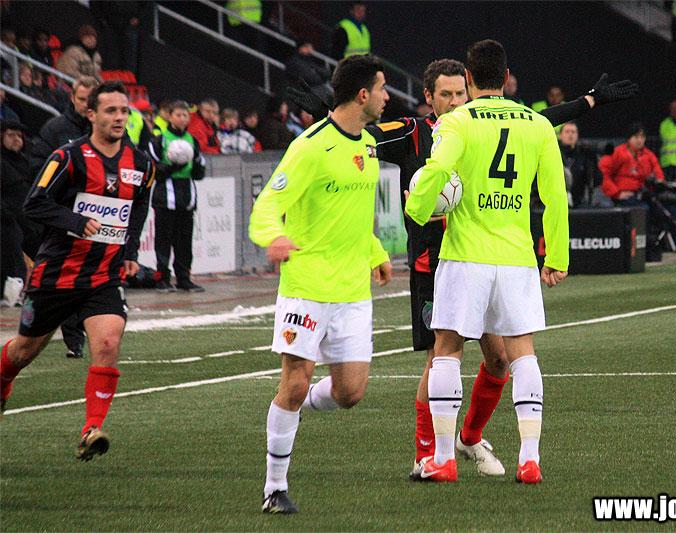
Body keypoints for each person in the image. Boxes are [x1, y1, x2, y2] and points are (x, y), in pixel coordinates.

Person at [289, 64, 637, 479]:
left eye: (460, 94)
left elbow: (538, 119)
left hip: (479, 259)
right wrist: (327, 114)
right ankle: (426, 455)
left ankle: (468, 438)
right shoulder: (412, 132)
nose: (455, 102)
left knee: (499, 360)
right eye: (445, 95)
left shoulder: (476, 125)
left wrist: (589, 101)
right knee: (439, 358)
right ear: (428, 97)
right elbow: (362, 136)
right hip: (433, 265)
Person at [405, 39, 569, 484]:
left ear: (469, 78)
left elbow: (437, 172)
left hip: (465, 255)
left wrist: (416, 208)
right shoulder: (537, 124)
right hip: (516, 257)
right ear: (507, 77)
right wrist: (556, 254)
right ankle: (529, 460)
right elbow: (554, 195)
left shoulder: (457, 121)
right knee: (522, 354)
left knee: (447, 350)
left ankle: (443, 459)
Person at [248, 54, 392, 514]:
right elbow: (266, 206)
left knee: (350, 393)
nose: (388, 96)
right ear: (363, 95)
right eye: (382, 88)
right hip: (307, 287)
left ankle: (294, 407)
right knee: (294, 382)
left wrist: (375, 252)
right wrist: (272, 237)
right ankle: (274, 488)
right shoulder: (309, 148)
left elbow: (354, 214)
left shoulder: (368, 146)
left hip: (352, 292)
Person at [0, 81, 154, 462]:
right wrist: (74, 220)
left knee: (108, 343)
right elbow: (34, 203)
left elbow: (138, 206)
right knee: (22, 352)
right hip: (57, 275)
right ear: (91, 114)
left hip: (103, 276)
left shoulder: (142, 164)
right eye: (111, 111)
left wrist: (129, 249)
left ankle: (91, 429)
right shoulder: (68, 157)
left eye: (124, 111)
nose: (119, 118)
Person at [29, 75, 100, 358]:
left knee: (95, 277)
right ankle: (72, 339)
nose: (86, 105)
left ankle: (91, 331)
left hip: (99, 217)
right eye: (82, 99)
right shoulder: (55, 129)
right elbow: (37, 166)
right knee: (65, 276)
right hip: (64, 216)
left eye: (91, 100)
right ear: (72, 98)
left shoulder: (107, 132)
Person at [600, 122, 676, 259]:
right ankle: (643, 250)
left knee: (671, 211)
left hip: (647, 195)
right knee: (643, 211)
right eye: (636, 137)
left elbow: (659, 176)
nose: (639, 140)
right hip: (627, 197)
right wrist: (617, 193)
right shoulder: (618, 153)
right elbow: (603, 173)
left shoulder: (649, 155)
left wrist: (658, 183)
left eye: (642, 137)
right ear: (629, 138)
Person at [147, 100, 207, 292]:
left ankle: (184, 278)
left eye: (185, 115)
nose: (182, 118)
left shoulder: (192, 141)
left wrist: (194, 164)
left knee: (184, 241)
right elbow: (154, 171)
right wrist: (174, 165)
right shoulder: (159, 140)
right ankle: (162, 278)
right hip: (165, 198)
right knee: (163, 240)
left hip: (186, 198)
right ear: (170, 116)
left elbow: (199, 173)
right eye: (178, 115)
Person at [1, 119, 32, 307]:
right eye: (11, 135)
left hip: (25, 216)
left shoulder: (25, 161)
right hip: (6, 218)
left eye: (19, 136)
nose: (16, 139)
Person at [559, 121, 598, 207]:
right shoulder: (553, 153)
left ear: (577, 135)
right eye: (567, 131)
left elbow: (596, 180)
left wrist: (593, 159)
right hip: (556, 200)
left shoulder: (585, 155)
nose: (570, 135)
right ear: (560, 135)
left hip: (579, 201)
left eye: (573, 132)